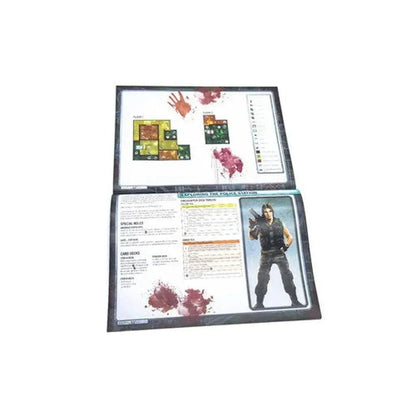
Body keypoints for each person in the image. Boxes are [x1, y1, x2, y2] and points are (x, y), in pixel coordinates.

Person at [249, 202, 302, 309]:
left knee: (287, 277)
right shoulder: (260, 224)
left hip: (279, 254)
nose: (268, 213)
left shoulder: (279, 223)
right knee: (262, 278)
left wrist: (285, 247)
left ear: (272, 212)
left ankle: (295, 301)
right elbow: (252, 237)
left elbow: (290, 237)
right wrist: (252, 227)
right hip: (266, 255)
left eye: (270, 211)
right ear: (263, 213)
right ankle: (259, 304)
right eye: (265, 212)